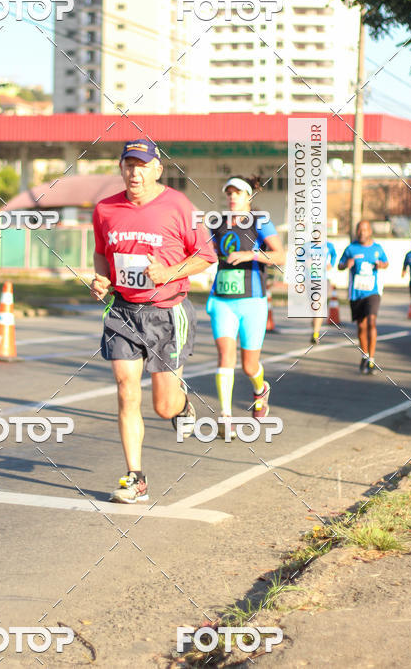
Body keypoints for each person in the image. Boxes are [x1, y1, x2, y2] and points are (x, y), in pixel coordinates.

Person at [91, 139, 217, 504]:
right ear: (121, 168)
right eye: (129, 165)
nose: (135, 172)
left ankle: (182, 404)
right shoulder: (105, 209)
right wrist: (101, 279)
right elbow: (101, 253)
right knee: (126, 389)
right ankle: (136, 477)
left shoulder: (178, 206)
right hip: (122, 310)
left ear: (157, 169)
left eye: (142, 165)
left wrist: (168, 272)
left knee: (164, 406)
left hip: (166, 311)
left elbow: (206, 255)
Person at [205, 176, 286, 437]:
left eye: (237, 193)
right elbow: (205, 253)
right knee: (225, 356)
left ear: (248, 196)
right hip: (222, 300)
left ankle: (261, 390)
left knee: (249, 366)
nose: (232, 197)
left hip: (252, 300)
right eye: (229, 193)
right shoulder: (216, 223)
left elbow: (280, 255)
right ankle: (225, 417)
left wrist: (250, 254)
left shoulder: (259, 221)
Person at [338, 220, 389, 374]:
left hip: (373, 292)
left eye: (365, 229)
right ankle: (364, 355)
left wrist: (381, 265)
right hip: (356, 293)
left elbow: (386, 263)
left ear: (370, 231)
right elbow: (340, 265)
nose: (362, 232)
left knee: (372, 322)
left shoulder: (377, 248)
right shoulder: (351, 248)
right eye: (359, 230)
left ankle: (371, 360)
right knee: (361, 326)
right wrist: (346, 264)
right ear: (356, 231)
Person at [310, 240, 337, 344]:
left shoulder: (329, 245)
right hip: (310, 280)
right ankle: (315, 324)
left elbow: (334, 255)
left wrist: (331, 264)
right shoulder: (307, 246)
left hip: (323, 280)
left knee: (318, 306)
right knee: (314, 307)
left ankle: (315, 334)